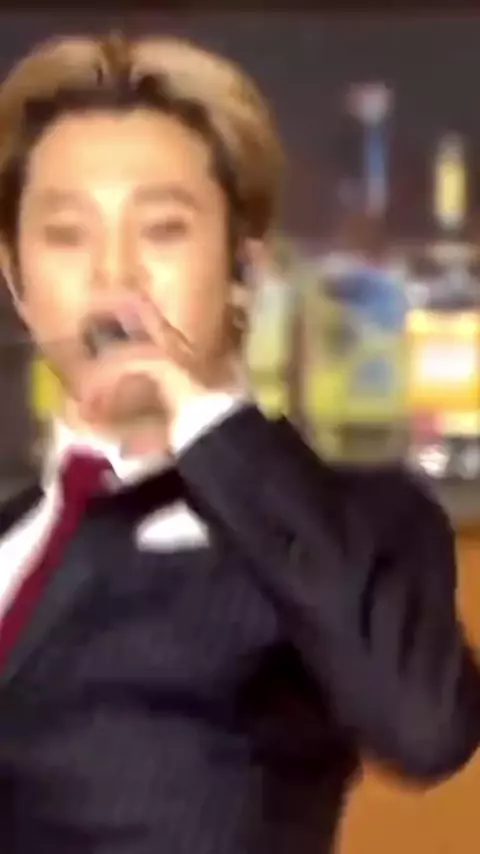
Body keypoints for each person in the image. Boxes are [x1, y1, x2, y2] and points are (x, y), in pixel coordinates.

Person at [0, 32, 478, 854]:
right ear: (16, 281)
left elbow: (424, 727)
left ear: (241, 269)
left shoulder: (347, 522)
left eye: (162, 229)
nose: (115, 275)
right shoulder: (13, 531)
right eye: (67, 234)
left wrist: (204, 420)